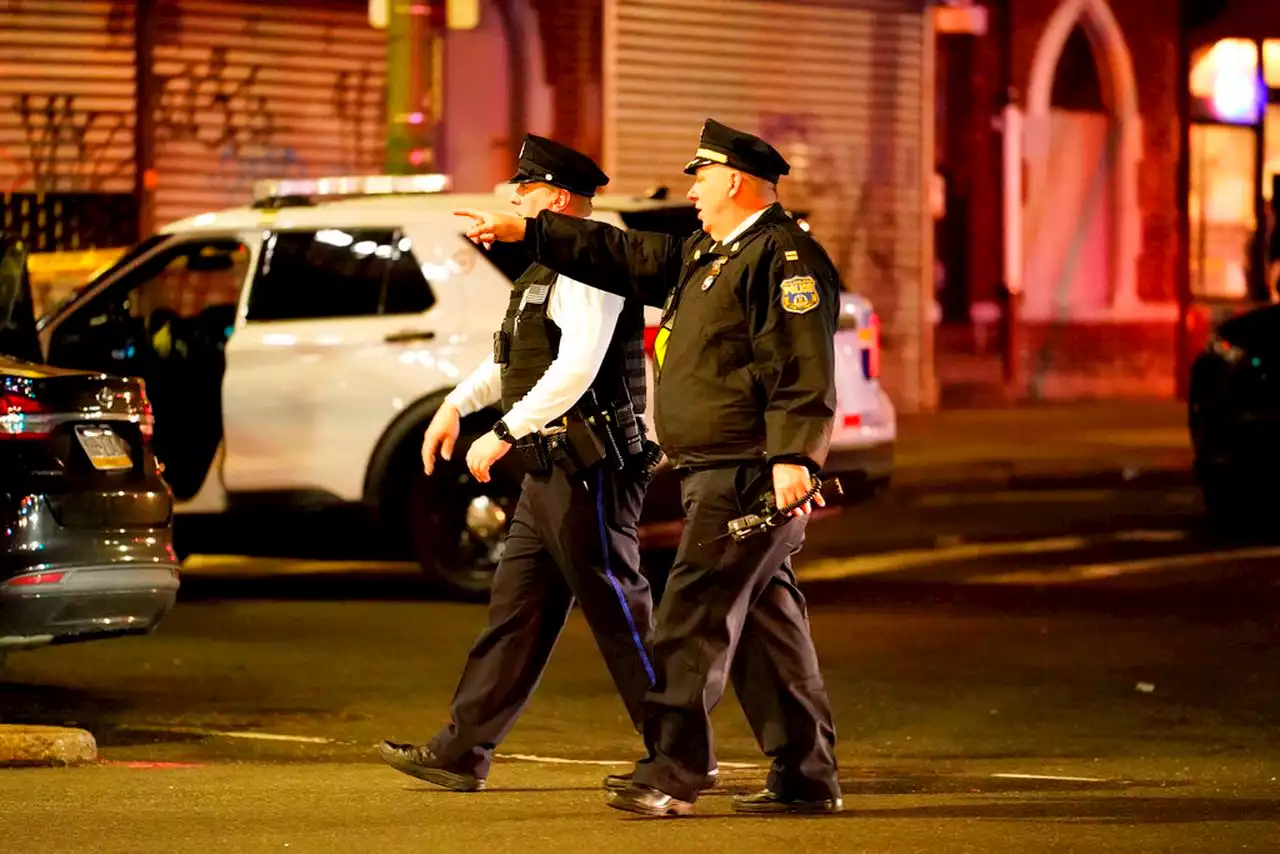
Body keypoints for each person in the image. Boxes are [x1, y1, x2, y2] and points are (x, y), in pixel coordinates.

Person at [456, 118, 842, 817]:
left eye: (701, 176)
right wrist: (529, 234)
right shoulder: (709, 252)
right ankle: (806, 776)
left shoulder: (784, 258)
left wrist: (795, 455)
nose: (693, 189)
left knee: (689, 621)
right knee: (767, 631)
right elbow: (620, 253)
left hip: (748, 471)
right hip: (716, 469)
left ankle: (673, 772)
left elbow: (802, 368)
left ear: (733, 180)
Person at [378, 134, 668, 793]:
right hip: (552, 473)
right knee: (516, 614)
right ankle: (460, 751)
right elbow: (512, 359)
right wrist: (457, 404)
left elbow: (577, 367)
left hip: (591, 469)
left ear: (559, 198)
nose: (516, 197)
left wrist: (504, 430)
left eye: (528, 189)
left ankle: (677, 752)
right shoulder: (544, 269)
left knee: (621, 616)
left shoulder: (591, 268)